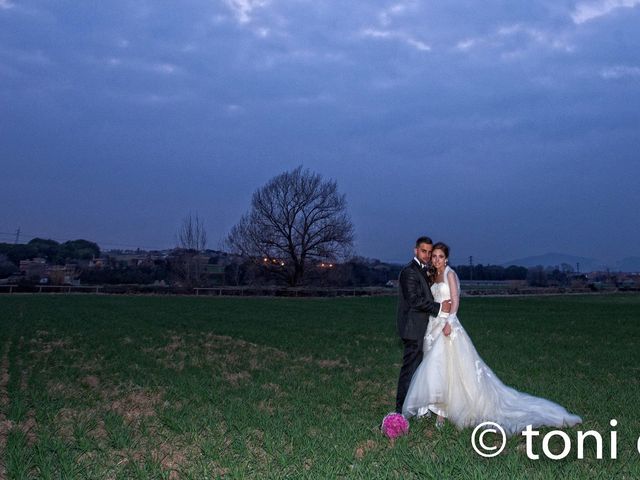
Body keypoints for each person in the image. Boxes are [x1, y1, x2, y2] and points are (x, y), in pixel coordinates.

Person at [402, 242, 582, 436]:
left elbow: (455, 301)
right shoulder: (432, 276)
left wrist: (449, 323)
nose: (436, 259)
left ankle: (442, 414)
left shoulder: (449, 274)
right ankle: (430, 406)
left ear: (446, 258)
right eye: (434, 256)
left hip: (447, 327)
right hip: (432, 326)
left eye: (440, 256)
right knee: (433, 369)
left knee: (449, 370)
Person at [395, 236, 452, 414]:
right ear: (415, 250)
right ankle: (401, 410)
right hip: (413, 328)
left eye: (429, 252)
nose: (427, 255)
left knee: (421, 370)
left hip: (424, 328)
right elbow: (414, 300)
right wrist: (440, 307)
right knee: (410, 370)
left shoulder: (425, 270)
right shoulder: (409, 272)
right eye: (423, 251)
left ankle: (418, 407)